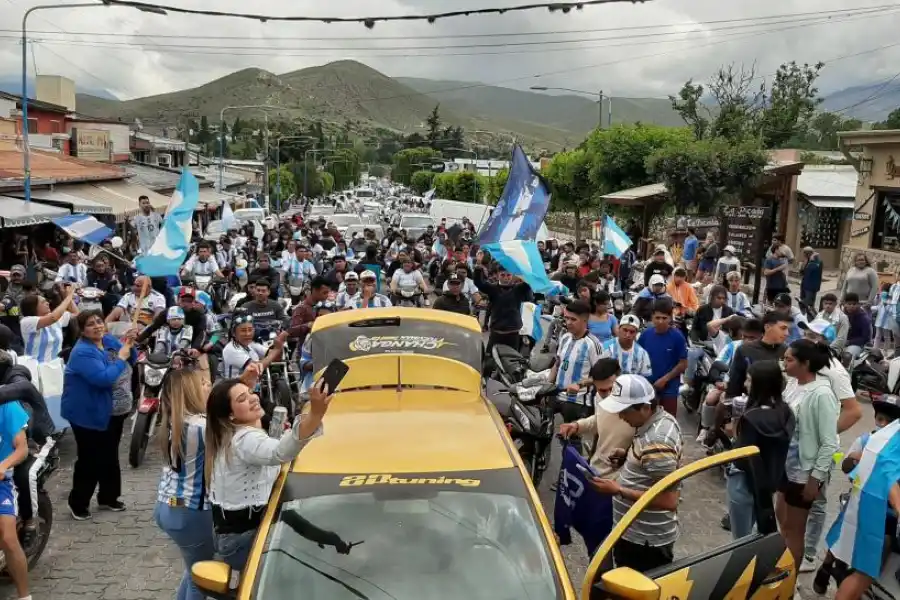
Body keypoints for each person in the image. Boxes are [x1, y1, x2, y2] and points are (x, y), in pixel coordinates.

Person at [206, 373, 332, 574]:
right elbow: (281, 453)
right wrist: (315, 414)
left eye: (250, 393)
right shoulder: (244, 440)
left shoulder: (231, 433)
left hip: (231, 533)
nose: (253, 398)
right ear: (230, 415)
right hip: (243, 538)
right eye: (242, 399)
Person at [590, 374, 682, 572]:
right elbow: (652, 467)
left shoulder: (657, 440)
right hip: (634, 533)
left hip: (644, 542)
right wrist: (628, 457)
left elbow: (669, 501)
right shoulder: (657, 421)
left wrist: (619, 490)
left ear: (645, 408)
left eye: (624, 411)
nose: (620, 417)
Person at [61, 311, 136, 520]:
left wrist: (130, 342)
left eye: (99, 322)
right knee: (89, 458)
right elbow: (103, 379)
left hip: (113, 410)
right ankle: (78, 503)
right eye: (90, 324)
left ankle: (108, 497)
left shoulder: (108, 339)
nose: (97, 326)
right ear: (82, 330)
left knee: (110, 453)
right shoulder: (82, 352)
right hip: (87, 413)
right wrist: (120, 358)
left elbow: (132, 357)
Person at [154, 361, 217, 600]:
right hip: (190, 511)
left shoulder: (176, 421)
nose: (208, 385)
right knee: (201, 580)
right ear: (191, 391)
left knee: (193, 572)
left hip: (170, 503)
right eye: (202, 383)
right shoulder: (203, 426)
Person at [777, 339, 840, 571]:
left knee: (794, 529)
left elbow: (829, 442)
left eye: (789, 359)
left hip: (803, 472)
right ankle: (781, 570)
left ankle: (790, 581)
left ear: (806, 363)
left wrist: (816, 478)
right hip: (786, 466)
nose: (784, 363)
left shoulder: (822, 394)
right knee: (782, 520)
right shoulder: (793, 384)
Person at [558, 359, 633, 553]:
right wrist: (577, 426)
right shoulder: (601, 398)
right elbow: (599, 420)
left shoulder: (636, 403)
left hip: (620, 485)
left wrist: (628, 455)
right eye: (601, 390)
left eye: (610, 389)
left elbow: (645, 441)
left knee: (611, 544)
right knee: (594, 541)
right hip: (597, 474)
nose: (606, 395)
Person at [725, 360, 795, 540]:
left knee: (740, 540)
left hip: (742, 482)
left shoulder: (750, 418)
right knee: (757, 534)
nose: (745, 384)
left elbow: (742, 458)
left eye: (749, 380)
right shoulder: (785, 413)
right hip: (768, 484)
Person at [549, 300, 604, 429]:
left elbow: (602, 377)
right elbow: (557, 364)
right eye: (566, 318)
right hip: (556, 396)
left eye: (573, 319)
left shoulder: (593, 344)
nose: (568, 323)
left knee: (571, 442)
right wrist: (546, 387)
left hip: (577, 402)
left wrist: (580, 384)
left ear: (585, 320)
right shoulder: (565, 338)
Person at [0, 379, 32, 600]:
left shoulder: (7, 405)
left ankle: (24, 596)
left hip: (2, 480)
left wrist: (3, 465)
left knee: (9, 539)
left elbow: (22, 449)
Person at [638, 299, 688, 416]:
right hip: (648, 387)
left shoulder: (678, 337)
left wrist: (665, 379)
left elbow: (683, 364)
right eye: (657, 317)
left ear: (670, 318)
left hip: (669, 388)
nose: (660, 321)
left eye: (664, 318)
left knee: (668, 420)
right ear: (652, 317)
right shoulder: (645, 335)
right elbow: (638, 358)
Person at [474, 265, 532, 354]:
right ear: (497, 275)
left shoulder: (519, 289)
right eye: (502, 275)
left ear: (512, 275)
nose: (506, 278)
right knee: (490, 360)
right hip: (497, 332)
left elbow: (530, 281)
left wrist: (521, 271)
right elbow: (479, 283)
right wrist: (478, 269)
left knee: (512, 361)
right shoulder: (492, 288)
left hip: (513, 333)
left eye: (508, 275)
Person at [19, 285, 77, 363]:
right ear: (33, 307)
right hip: (36, 368)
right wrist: (69, 296)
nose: (47, 303)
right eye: (43, 302)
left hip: (56, 368)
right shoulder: (26, 321)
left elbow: (76, 314)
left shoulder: (55, 317)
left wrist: (66, 295)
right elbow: (53, 318)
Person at [222, 313, 287, 380]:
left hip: (251, 386)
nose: (248, 334)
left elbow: (276, 358)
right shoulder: (231, 349)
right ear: (233, 333)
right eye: (243, 331)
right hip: (236, 388)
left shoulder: (251, 344)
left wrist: (280, 342)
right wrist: (276, 349)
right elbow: (256, 368)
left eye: (250, 330)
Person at [287, 277, 332, 345]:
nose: (327, 295)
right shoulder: (301, 308)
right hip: (305, 349)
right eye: (324, 293)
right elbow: (292, 331)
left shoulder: (328, 306)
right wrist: (309, 325)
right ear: (314, 290)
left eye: (328, 292)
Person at [842, 292, 872, 362]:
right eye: (849, 304)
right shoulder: (841, 316)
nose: (852, 306)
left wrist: (849, 342)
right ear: (844, 304)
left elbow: (865, 338)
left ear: (858, 304)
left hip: (858, 345)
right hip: (841, 342)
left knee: (847, 356)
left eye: (854, 304)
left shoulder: (864, 318)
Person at [873, 282, 897, 352]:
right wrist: (870, 308)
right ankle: (875, 350)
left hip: (887, 323)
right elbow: (878, 307)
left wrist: (885, 304)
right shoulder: (883, 300)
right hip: (879, 321)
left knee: (886, 337)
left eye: (883, 291)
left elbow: (890, 311)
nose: (881, 293)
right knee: (877, 336)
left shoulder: (892, 302)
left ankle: (885, 350)